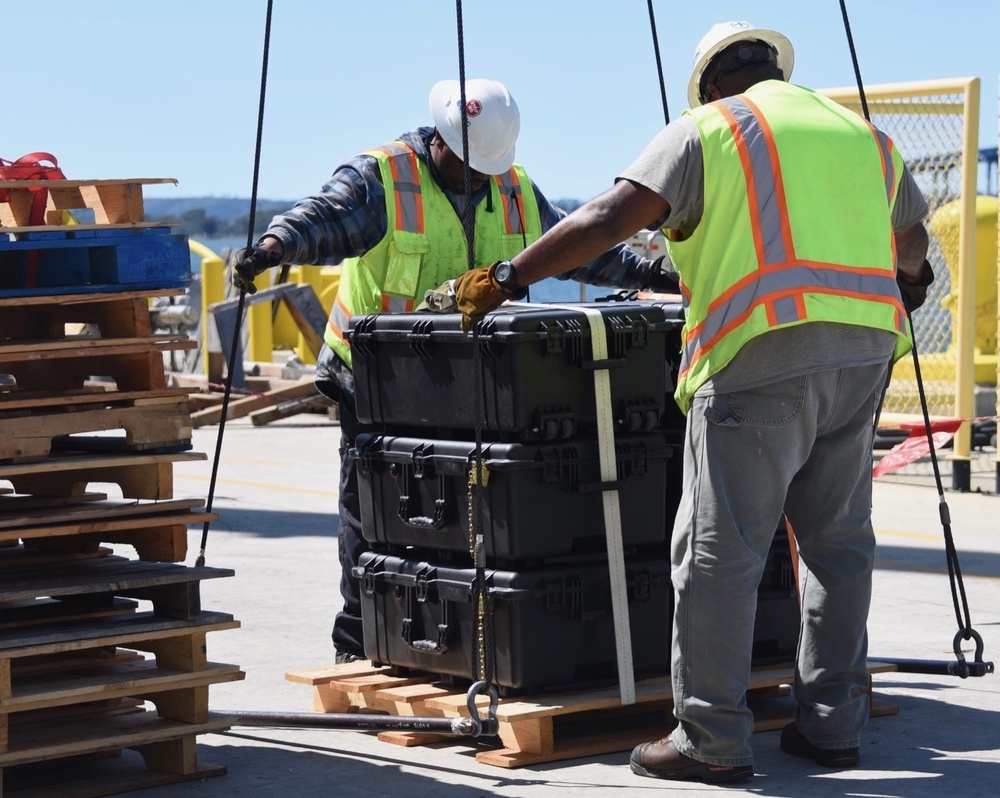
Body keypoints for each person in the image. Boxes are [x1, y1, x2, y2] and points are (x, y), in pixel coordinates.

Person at [454, 21, 932, 784]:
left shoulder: (708, 131)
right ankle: (834, 727)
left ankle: (710, 738)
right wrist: (906, 285)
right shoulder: (862, 133)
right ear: (775, 68)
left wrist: (507, 278)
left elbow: (606, 221)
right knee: (839, 549)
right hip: (866, 353)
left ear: (712, 83)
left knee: (719, 552)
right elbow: (910, 241)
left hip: (760, 355)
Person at [230, 78, 678, 664]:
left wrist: (659, 277)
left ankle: (465, 639)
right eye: (467, 166)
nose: (477, 179)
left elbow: (581, 248)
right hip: (377, 379)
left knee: (475, 509)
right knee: (371, 512)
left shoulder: (514, 189)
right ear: (438, 139)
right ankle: (362, 635)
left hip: (470, 382)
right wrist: (271, 249)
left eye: (486, 169)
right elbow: (323, 219)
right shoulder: (385, 178)